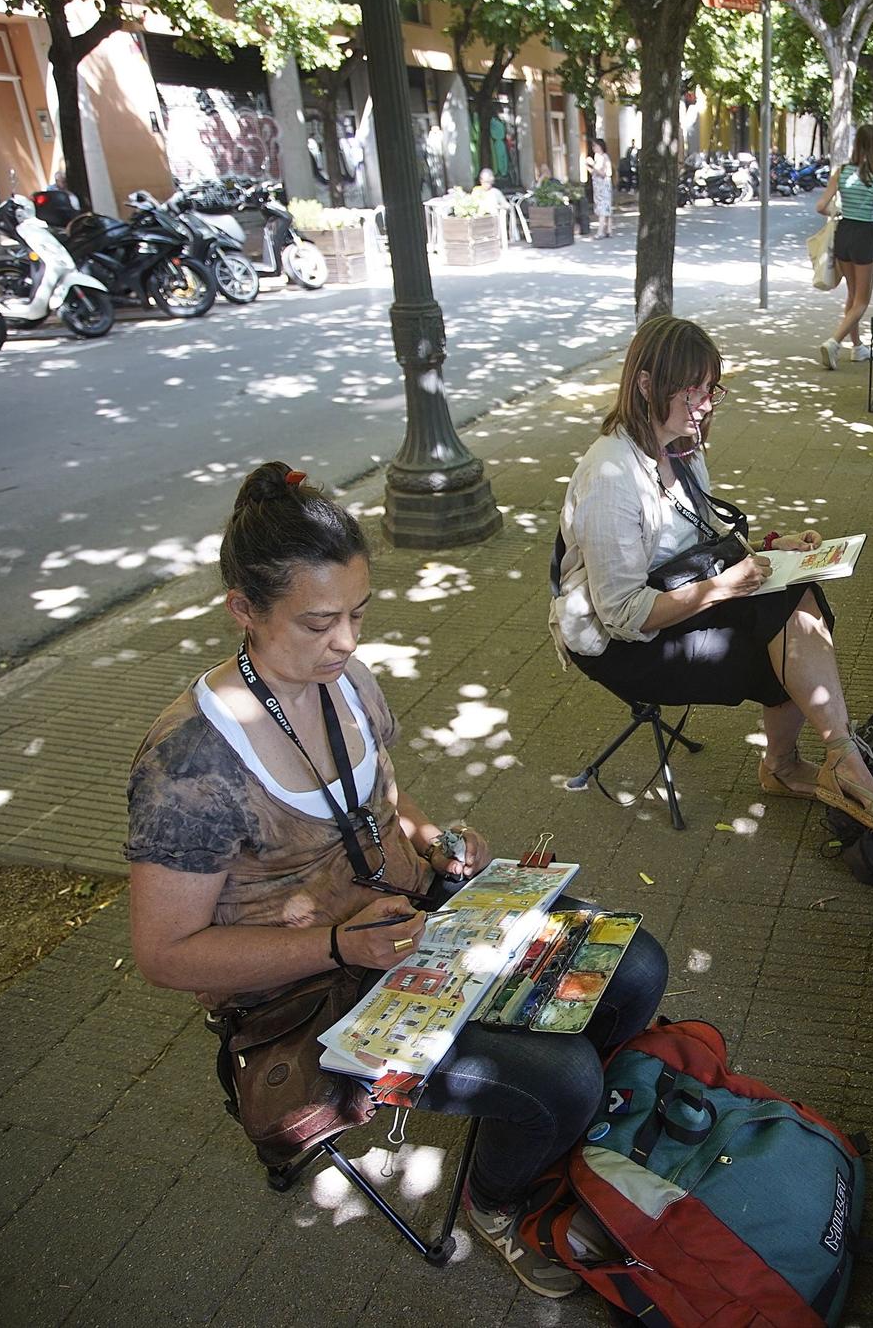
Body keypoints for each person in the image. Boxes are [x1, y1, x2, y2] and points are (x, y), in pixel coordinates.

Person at [126, 462, 669, 1301]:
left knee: (633, 967)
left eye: (357, 614)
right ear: (243, 610)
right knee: (564, 1076)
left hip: (410, 914)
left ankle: (543, 1122)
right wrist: (340, 941)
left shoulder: (341, 676)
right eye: (319, 623)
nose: (347, 642)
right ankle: (498, 1196)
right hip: (312, 986)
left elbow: (379, 791)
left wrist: (430, 835)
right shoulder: (189, 762)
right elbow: (164, 954)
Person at [550, 316, 873, 836]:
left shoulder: (680, 446)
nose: (704, 403)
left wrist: (773, 547)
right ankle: (817, 764)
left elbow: (704, 537)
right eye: (692, 389)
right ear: (646, 384)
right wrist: (725, 586)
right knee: (779, 623)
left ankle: (820, 761)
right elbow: (621, 616)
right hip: (628, 646)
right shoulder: (611, 475)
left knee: (793, 598)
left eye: (711, 388)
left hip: (675, 602)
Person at [813, 124, 873, 370]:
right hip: (864, 236)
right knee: (862, 300)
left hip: (844, 233)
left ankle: (857, 347)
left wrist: (836, 210)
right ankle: (834, 342)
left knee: (851, 293)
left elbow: (821, 206)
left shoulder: (841, 172)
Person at [588, 137, 615, 238]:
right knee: (604, 207)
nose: (593, 148)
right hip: (598, 187)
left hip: (603, 186)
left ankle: (600, 232)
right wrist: (588, 166)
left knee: (603, 208)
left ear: (600, 146)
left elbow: (604, 173)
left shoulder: (604, 157)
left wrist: (593, 165)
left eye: (595, 146)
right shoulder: (597, 157)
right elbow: (595, 173)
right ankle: (608, 230)